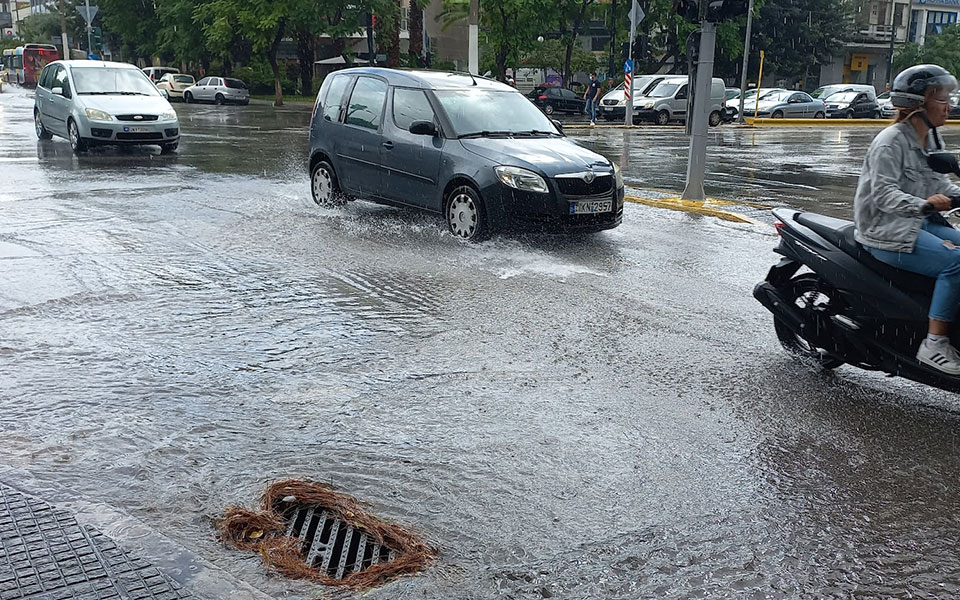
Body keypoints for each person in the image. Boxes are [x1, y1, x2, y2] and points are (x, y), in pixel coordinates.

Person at [853, 64, 960, 374]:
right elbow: (883, 195)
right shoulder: (890, 142)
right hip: (886, 229)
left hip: (918, 222)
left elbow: (940, 185)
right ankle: (934, 343)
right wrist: (924, 205)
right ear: (918, 104)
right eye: (942, 99)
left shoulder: (930, 139)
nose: (948, 107)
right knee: (956, 262)